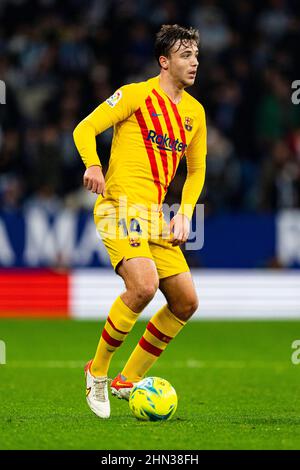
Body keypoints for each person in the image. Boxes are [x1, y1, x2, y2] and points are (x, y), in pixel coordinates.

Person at [73, 24, 207, 419]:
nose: (194, 61)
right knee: (144, 285)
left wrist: (183, 213)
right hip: (118, 207)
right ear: (164, 62)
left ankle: (126, 379)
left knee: (185, 301)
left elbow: (196, 171)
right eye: (185, 55)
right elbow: (85, 128)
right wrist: (94, 165)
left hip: (156, 216)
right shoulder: (135, 95)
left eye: (196, 54)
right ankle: (96, 372)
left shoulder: (194, 114)